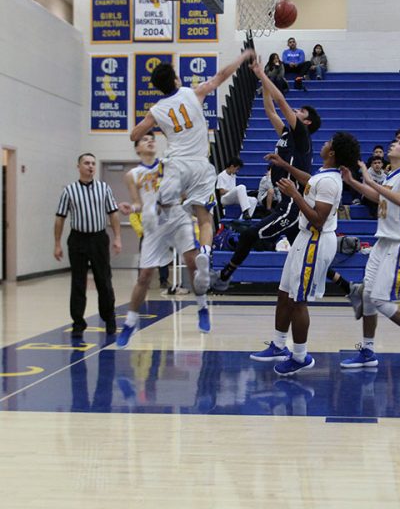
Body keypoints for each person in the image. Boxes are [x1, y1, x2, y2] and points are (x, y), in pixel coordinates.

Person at [131, 48, 255, 296]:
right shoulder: (192, 93)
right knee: (204, 218)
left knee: (170, 212)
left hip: (175, 165)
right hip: (200, 165)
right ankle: (205, 255)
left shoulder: (156, 110)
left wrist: (156, 128)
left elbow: (135, 134)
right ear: (176, 79)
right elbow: (221, 75)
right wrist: (242, 57)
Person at [249, 132, 361, 374]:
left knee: (298, 300)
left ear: (332, 153)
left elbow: (319, 220)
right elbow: (310, 182)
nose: (324, 143)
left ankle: (300, 357)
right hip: (304, 237)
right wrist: (285, 165)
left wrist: (295, 194)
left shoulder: (331, 182)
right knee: (284, 293)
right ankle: (279, 345)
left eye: (329, 142)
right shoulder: (324, 175)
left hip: (316, 240)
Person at [210, 58, 326, 291]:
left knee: (250, 234)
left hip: (295, 203)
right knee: (297, 245)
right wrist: (261, 82)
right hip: (286, 199)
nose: (296, 110)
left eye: (301, 111)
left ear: (307, 121)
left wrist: (262, 74)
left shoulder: (302, 134)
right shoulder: (287, 133)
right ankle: (344, 285)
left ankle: (224, 276)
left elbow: (281, 101)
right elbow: (270, 108)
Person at [339, 136, 400, 369]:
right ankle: (368, 351)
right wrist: (352, 181)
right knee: (367, 296)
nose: (394, 144)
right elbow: (379, 197)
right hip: (384, 242)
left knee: (380, 300)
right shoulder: (392, 176)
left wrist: (369, 180)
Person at [116, 134, 207, 346]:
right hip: (153, 222)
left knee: (192, 262)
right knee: (145, 275)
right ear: (137, 148)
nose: (150, 141)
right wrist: (131, 208)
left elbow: (184, 190)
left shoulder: (167, 166)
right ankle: (130, 322)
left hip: (175, 215)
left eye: (152, 139)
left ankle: (202, 307)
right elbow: (138, 202)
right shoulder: (133, 175)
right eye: (144, 140)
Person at [54, 153, 122, 336]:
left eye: (93, 163)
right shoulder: (69, 191)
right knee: (78, 282)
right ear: (79, 166)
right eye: (86, 163)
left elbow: (113, 213)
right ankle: (78, 322)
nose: (90, 166)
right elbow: (60, 218)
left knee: (104, 281)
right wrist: (57, 244)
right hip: (78, 239)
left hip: (99, 238)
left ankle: (109, 319)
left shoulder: (104, 188)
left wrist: (117, 237)